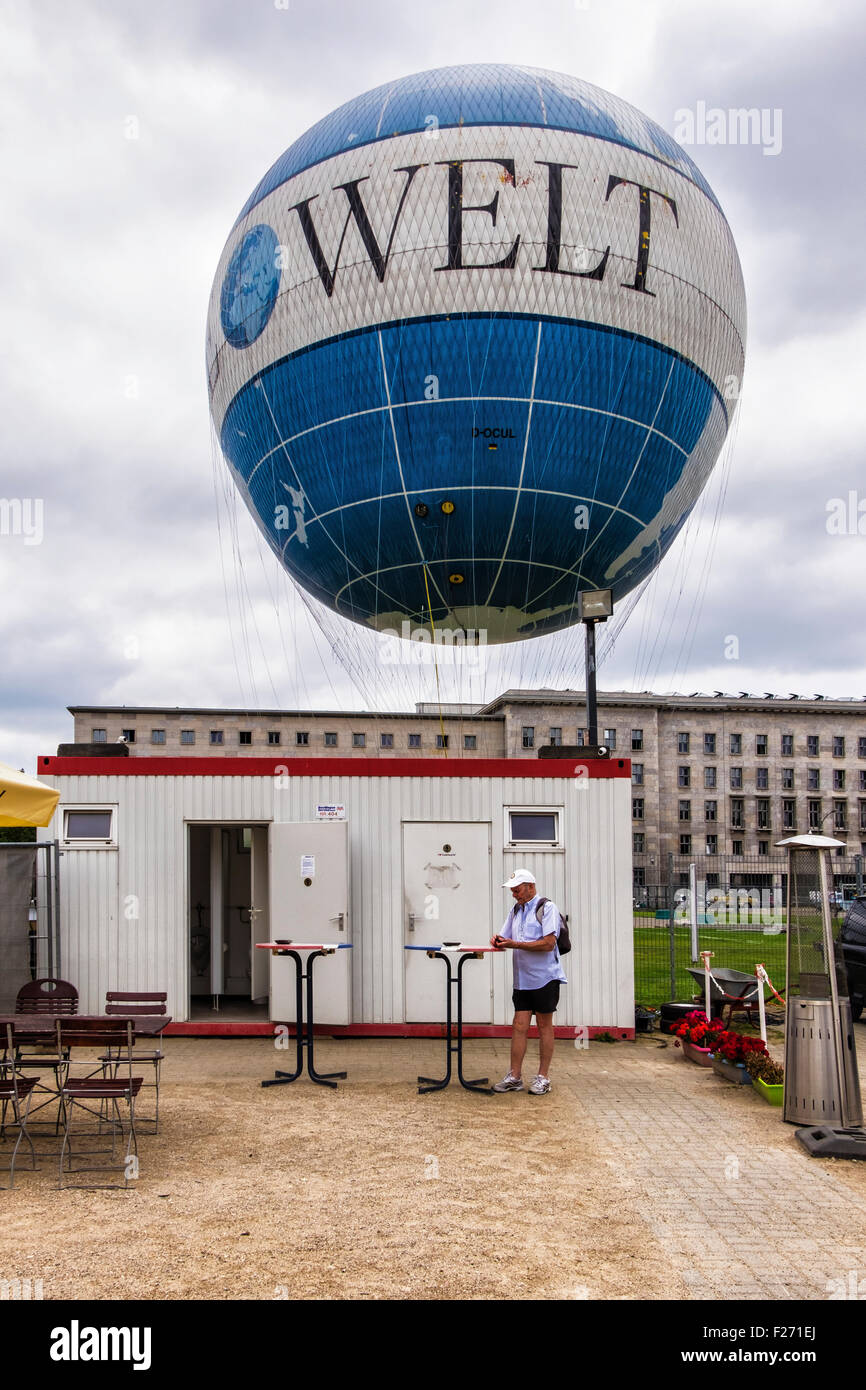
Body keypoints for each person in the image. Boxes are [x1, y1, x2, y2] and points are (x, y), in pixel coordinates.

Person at [490, 868, 566, 1095]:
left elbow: (548, 943)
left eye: (517, 889)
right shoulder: (516, 910)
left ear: (531, 886)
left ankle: (543, 1078)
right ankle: (514, 1076)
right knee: (519, 1025)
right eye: (512, 890)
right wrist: (497, 940)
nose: (514, 894)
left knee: (544, 1026)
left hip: (545, 978)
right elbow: (505, 937)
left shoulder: (548, 908)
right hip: (522, 979)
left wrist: (515, 944)